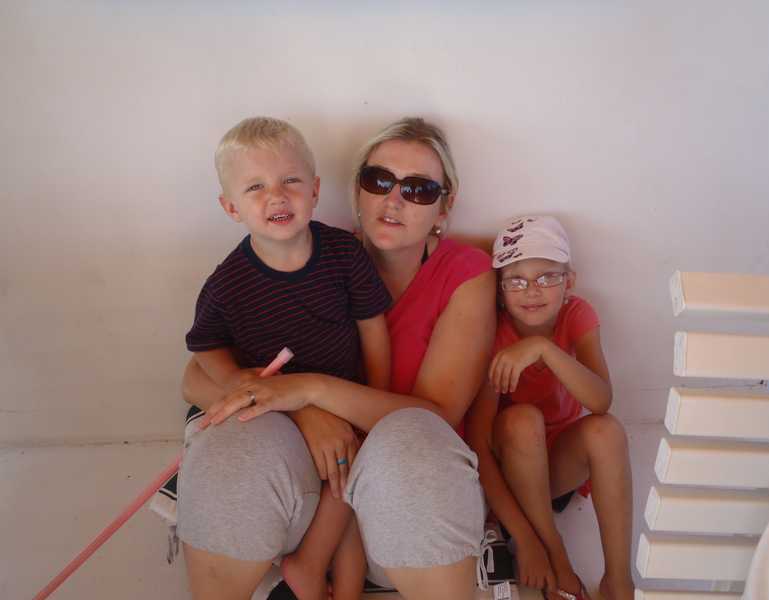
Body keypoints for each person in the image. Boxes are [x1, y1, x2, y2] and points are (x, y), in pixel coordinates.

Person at [177, 117, 497, 600]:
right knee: (229, 447)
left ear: (444, 205)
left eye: (419, 189)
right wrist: (304, 412)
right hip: (309, 490)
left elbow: (436, 417)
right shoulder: (303, 251)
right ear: (356, 189)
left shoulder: (463, 273)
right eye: (379, 180)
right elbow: (197, 376)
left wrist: (309, 390)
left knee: (412, 438)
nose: (394, 200)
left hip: (409, 512)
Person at [181, 116, 393, 600]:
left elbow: (374, 330)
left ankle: (326, 575)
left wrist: (374, 404)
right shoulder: (227, 284)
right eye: (255, 187)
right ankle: (309, 567)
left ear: (315, 190)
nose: (276, 196)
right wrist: (237, 382)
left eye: (290, 181)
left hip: (340, 399)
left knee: (348, 476)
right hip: (276, 409)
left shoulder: (344, 254)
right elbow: (205, 346)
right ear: (230, 207)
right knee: (341, 476)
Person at [466, 216, 634, 600]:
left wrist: (543, 349)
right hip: (510, 472)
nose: (532, 291)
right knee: (523, 418)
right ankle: (556, 553)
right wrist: (528, 541)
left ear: (569, 282)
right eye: (516, 281)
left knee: (606, 429)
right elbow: (479, 440)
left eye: (547, 277)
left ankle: (619, 580)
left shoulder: (577, 314)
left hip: (556, 469)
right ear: (500, 291)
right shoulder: (493, 331)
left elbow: (601, 401)